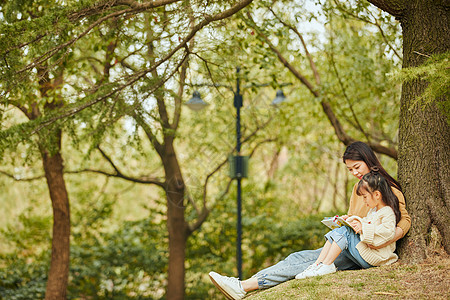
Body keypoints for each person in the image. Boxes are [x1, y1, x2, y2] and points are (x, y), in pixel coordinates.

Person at [208, 141, 411, 300]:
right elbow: (355, 216)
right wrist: (344, 220)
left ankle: (243, 287)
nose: (355, 173)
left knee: (307, 262)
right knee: (298, 258)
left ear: (369, 161)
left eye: (357, 167)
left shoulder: (387, 188)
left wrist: (382, 239)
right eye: (350, 170)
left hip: (366, 249)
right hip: (351, 244)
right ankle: (245, 284)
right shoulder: (358, 189)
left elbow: (404, 220)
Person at [295, 170, 401, 279]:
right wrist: (352, 220)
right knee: (340, 230)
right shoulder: (373, 211)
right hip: (368, 255)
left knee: (345, 231)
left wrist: (363, 228)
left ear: (377, 194)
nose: (364, 201)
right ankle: (318, 264)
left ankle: (326, 265)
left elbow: (387, 233)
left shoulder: (387, 212)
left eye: (365, 197)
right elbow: (366, 223)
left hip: (376, 258)